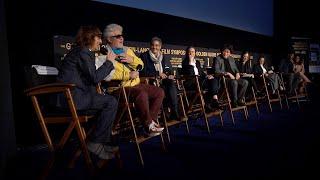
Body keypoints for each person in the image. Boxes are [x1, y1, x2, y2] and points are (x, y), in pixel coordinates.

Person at [57, 26, 118, 160]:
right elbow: (94, 78)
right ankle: (96, 142)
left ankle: (101, 142)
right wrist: (109, 62)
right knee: (111, 102)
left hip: (78, 96)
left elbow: (90, 79)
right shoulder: (82, 52)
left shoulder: (83, 52)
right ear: (90, 37)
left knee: (108, 100)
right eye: (98, 38)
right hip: (72, 99)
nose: (101, 42)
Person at [102, 23, 164, 135]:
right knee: (141, 93)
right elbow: (105, 75)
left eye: (122, 36)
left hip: (134, 85)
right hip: (118, 89)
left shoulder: (127, 50)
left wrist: (132, 60)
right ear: (109, 39)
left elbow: (141, 64)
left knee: (159, 92)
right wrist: (128, 75)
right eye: (118, 36)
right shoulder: (103, 54)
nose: (121, 38)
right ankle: (148, 125)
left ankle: (152, 121)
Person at [139, 37, 180, 120]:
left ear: (160, 47)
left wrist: (169, 74)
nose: (155, 47)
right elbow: (143, 72)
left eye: (157, 45)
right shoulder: (144, 56)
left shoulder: (162, 57)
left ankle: (174, 111)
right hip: (151, 83)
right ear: (150, 46)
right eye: (153, 45)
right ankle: (170, 112)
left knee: (171, 83)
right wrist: (158, 74)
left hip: (162, 82)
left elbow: (164, 69)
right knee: (170, 88)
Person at [182, 46, 222, 112]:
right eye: (189, 51)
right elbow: (191, 74)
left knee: (213, 80)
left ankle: (214, 99)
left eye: (192, 52)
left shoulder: (197, 62)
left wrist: (207, 76)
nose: (191, 53)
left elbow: (201, 73)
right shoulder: (185, 62)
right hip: (192, 83)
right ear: (187, 53)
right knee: (209, 85)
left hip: (200, 81)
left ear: (195, 53)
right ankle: (209, 104)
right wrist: (190, 61)